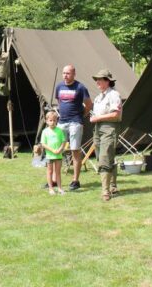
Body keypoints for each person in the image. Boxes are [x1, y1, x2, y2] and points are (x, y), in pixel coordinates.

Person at [54, 64, 92, 191]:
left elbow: (88, 104)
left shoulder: (80, 87)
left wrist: (82, 116)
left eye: (68, 73)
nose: (65, 75)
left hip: (75, 122)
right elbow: (59, 102)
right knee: (57, 149)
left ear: (74, 74)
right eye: (64, 73)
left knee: (75, 150)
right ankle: (54, 180)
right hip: (62, 122)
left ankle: (75, 181)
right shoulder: (59, 86)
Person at [90, 69, 123, 201]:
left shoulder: (114, 95)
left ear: (107, 81)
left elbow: (116, 115)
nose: (97, 81)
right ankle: (113, 186)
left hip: (109, 128)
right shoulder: (98, 97)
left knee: (104, 158)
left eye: (100, 79)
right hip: (98, 129)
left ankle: (105, 191)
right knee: (102, 158)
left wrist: (97, 118)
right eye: (96, 79)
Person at [41, 111, 66, 195]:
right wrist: (52, 150)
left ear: (57, 121)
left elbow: (63, 141)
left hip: (58, 155)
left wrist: (60, 149)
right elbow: (43, 144)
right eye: (50, 120)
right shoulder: (45, 131)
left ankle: (59, 188)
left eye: (54, 120)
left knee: (58, 172)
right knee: (50, 172)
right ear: (47, 121)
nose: (52, 122)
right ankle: (50, 188)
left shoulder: (60, 130)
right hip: (49, 156)